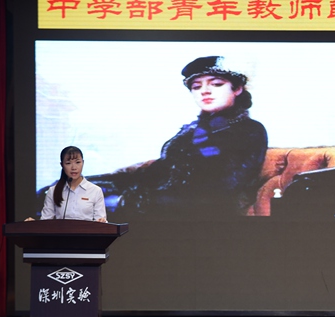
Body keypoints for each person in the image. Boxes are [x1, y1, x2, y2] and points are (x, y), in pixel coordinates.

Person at [105, 55, 268, 219]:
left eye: (217, 84)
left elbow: (223, 188)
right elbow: (162, 170)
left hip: (205, 218)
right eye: (196, 87)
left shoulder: (249, 129)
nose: (205, 91)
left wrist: (137, 200)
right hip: (166, 208)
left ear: (237, 89)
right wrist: (112, 184)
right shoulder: (191, 131)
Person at [27, 146, 107, 222]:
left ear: (83, 163)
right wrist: (33, 225)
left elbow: (100, 221)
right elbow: (45, 221)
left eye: (78, 162)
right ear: (62, 165)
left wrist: (101, 221)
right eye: (68, 163)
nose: (74, 167)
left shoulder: (95, 191)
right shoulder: (53, 191)